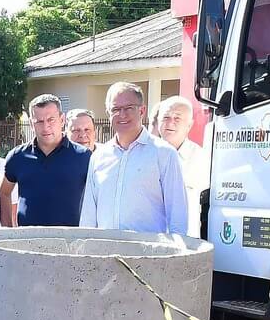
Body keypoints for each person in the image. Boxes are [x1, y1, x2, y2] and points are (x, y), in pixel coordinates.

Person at [80, 82, 193, 236]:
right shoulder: (99, 157)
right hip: (105, 252)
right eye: (115, 109)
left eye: (129, 108)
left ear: (142, 110)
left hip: (148, 255)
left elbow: (178, 216)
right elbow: (89, 215)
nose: (122, 114)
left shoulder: (164, 154)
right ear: (108, 113)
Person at [0, 93, 91, 229]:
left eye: (51, 120)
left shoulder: (84, 156)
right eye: (39, 121)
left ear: (62, 119)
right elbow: (4, 192)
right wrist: (8, 230)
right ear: (31, 123)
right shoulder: (18, 156)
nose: (45, 126)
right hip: (27, 242)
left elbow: (98, 198)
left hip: (70, 243)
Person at [155, 94, 212, 218]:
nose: (170, 123)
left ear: (189, 125)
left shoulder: (202, 159)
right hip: (151, 234)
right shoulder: (145, 154)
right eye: (166, 117)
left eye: (177, 118)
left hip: (185, 234)